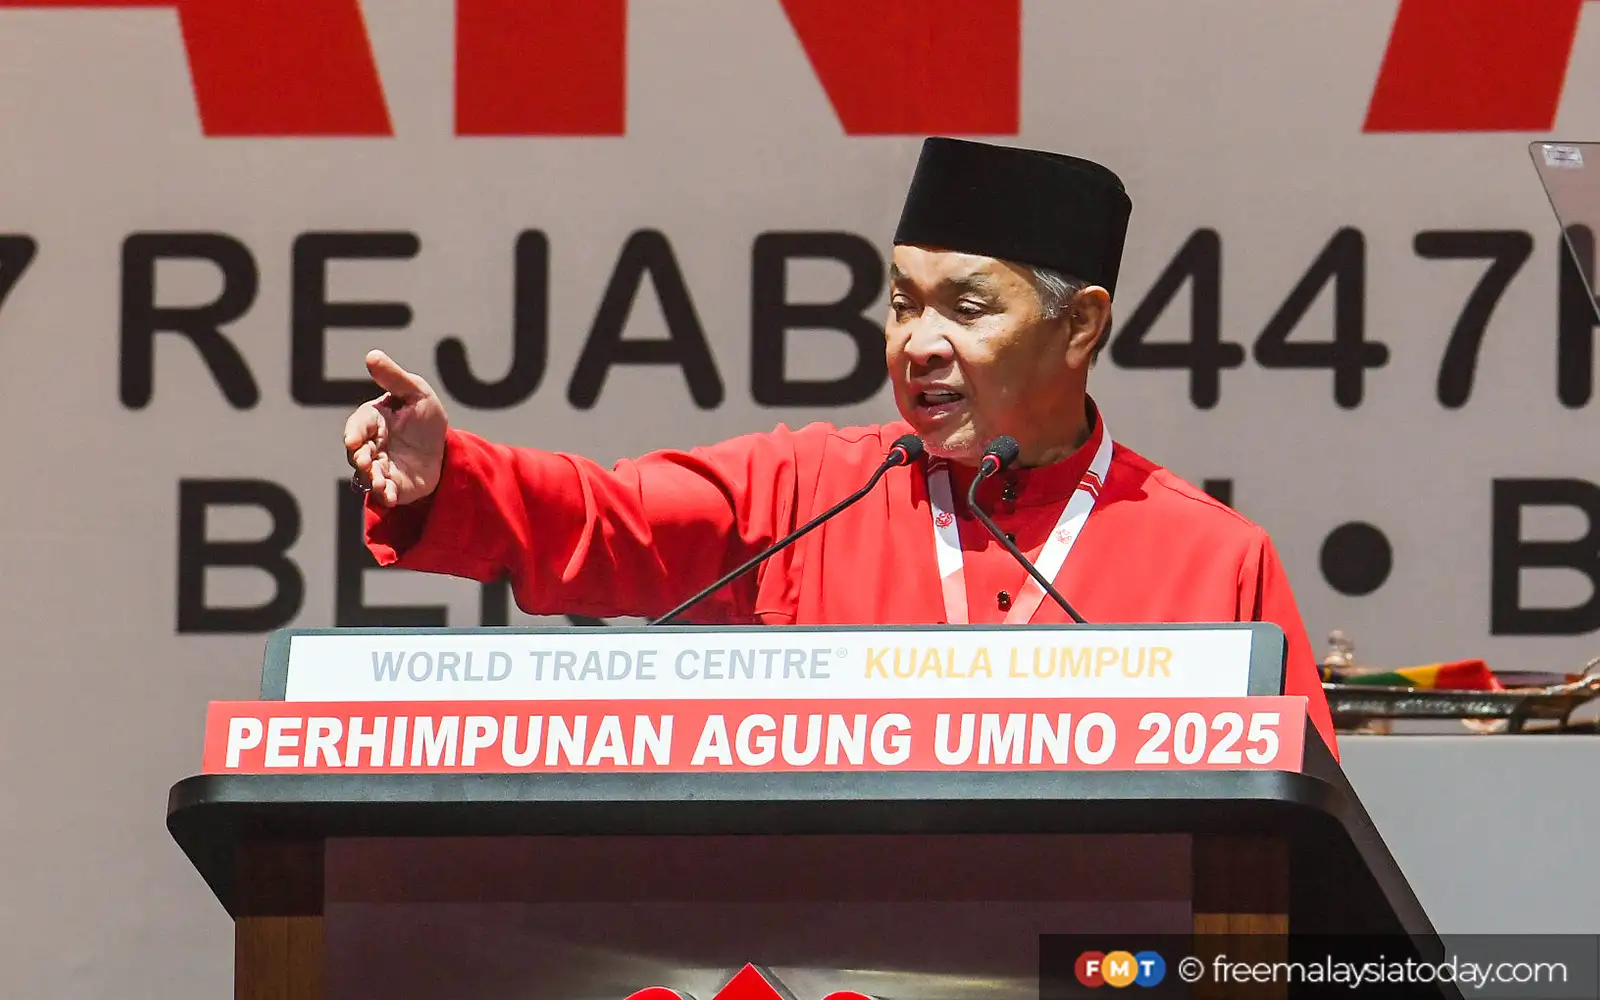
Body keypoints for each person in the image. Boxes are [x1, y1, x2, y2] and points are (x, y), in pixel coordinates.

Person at [343, 137, 1339, 756]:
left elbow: (1299, 847)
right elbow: (610, 517)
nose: (919, 343)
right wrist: (448, 475)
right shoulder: (814, 491)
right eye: (903, 303)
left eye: (965, 309)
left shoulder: (1212, 558)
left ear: (1079, 327)